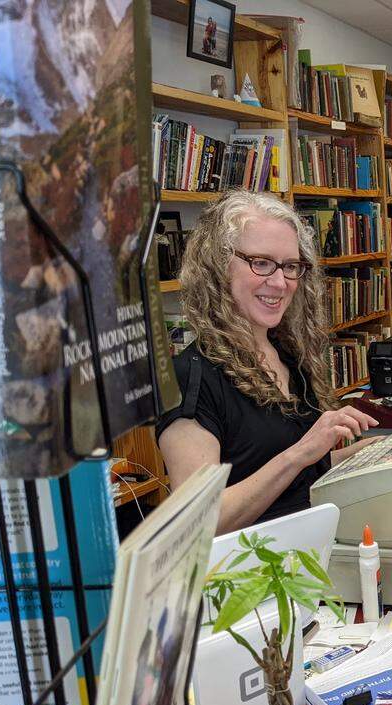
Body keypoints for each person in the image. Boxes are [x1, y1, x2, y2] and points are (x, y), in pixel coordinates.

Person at [157, 190, 378, 535]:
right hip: (248, 580)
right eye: (261, 262)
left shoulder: (287, 354)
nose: (279, 282)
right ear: (217, 265)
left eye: (290, 266)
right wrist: (300, 453)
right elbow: (199, 522)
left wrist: (362, 457)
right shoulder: (190, 378)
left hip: (307, 554)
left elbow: (290, 483)